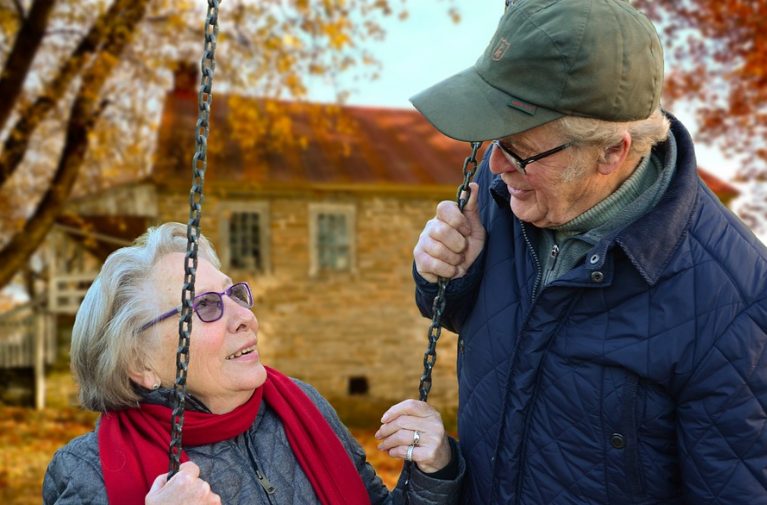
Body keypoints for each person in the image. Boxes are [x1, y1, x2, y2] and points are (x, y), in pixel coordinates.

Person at [409, 0, 767, 503]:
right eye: (492, 142)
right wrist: (445, 276)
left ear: (612, 152)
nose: (495, 166)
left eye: (520, 150)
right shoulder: (505, 202)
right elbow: (476, 323)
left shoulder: (738, 304)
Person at [43, 222, 464, 505]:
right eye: (205, 306)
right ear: (140, 364)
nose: (244, 317)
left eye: (235, 294)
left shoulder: (302, 406)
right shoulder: (86, 472)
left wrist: (433, 471)